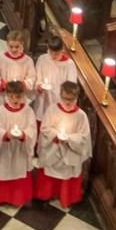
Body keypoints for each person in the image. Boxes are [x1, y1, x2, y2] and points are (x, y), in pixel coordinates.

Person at [35, 81, 91, 211]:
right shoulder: (52, 109)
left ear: (77, 98)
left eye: (72, 100)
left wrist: (69, 139)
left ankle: (65, 197)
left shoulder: (81, 115)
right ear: (60, 95)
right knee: (49, 171)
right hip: (53, 149)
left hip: (70, 151)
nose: (68, 102)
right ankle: (46, 194)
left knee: (67, 174)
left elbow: (84, 137)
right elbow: (45, 129)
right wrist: (56, 136)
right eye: (65, 98)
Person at [0, 80, 38, 206]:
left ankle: (17, 198)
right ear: (7, 95)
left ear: (24, 95)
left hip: (20, 150)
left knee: (19, 170)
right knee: (2, 170)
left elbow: (32, 129)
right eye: (11, 96)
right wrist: (5, 135)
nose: (15, 99)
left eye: (18, 96)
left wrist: (23, 135)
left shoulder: (28, 111)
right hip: (4, 150)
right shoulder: (0, 111)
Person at [34, 34, 79, 122]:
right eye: (51, 52)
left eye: (57, 53)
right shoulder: (42, 59)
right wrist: (38, 86)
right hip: (44, 98)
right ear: (48, 47)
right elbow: (37, 77)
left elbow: (71, 86)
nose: (53, 56)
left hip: (59, 100)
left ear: (62, 49)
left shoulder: (69, 64)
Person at [0, 30, 36, 105]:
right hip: (4, 95)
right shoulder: (1, 59)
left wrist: (22, 84)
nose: (14, 49)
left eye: (17, 47)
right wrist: (2, 84)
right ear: (7, 44)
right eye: (11, 46)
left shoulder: (28, 61)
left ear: (22, 44)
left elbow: (32, 78)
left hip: (20, 96)